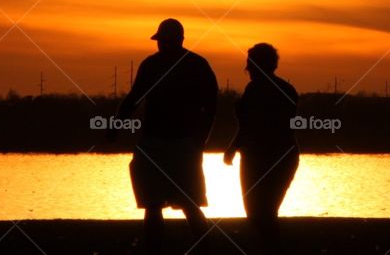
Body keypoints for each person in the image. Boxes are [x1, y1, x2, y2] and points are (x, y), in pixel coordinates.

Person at [111, 18, 218, 255]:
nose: (162, 45)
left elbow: (210, 106)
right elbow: (134, 98)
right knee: (153, 203)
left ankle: (204, 249)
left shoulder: (195, 65)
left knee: (188, 203)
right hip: (155, 143)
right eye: (161, 41)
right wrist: (116, 125)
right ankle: (156, 249)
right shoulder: (154, 65)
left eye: (165, 41)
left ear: (178, 40)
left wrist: (201, 138)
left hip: (181, 144)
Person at [223, 43, 299, 253]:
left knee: (259, 210)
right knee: (266, 209)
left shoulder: (255, 90)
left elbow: (250, 124)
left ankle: (273, 248)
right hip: (283, 155)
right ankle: (272, 247)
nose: (247, 69)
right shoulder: (287, 89)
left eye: (250, 64)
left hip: (261, 156)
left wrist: (233, 146)